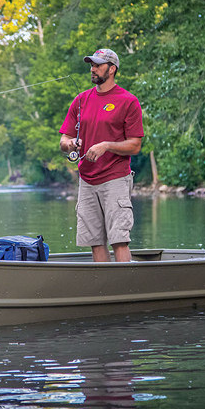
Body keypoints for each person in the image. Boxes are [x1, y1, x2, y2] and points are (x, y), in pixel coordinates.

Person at [59, 48, 144, 262]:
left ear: (112, 69)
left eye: (98, 65)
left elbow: (135, 146)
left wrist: (106, 145)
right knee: (95, 241)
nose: (93, 68)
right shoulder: (80, 100)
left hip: (115, 178)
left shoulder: (128, 101)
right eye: (92, 64)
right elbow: (63, 140)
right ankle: (105, 291)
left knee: (119, 240)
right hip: (87, 180)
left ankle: (125, 289)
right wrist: (71, 144)